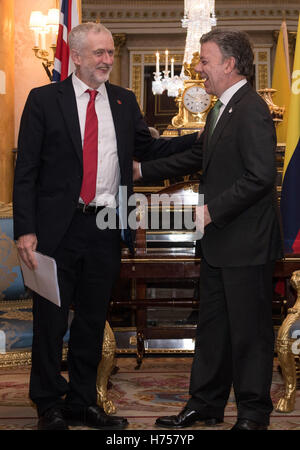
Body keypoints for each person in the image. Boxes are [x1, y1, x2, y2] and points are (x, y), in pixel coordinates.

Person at [13, 22, 200, 431]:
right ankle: (48, 404)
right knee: (51, 321)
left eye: (111, 53)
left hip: (105, 224)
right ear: (76, 56)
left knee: (93, 320)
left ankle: (83, 401)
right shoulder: (44, 100)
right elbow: (25, 168)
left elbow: (149, 148)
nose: (107, 60)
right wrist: (25, 230)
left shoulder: (122, 100)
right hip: (54, 230)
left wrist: (199, 138)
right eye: (98, 53)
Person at [134, 29, 283, 430]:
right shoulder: (221, 109)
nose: (199, 69)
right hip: (221, 244)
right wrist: (142, 170)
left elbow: (260, 177)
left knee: (249, 333)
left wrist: (211, 212)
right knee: (213, 329)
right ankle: (206, 404)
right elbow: (198, 155)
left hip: (246, 243)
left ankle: (253, 414)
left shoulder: (251, 109)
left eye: (205, 60)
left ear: (229, 65)